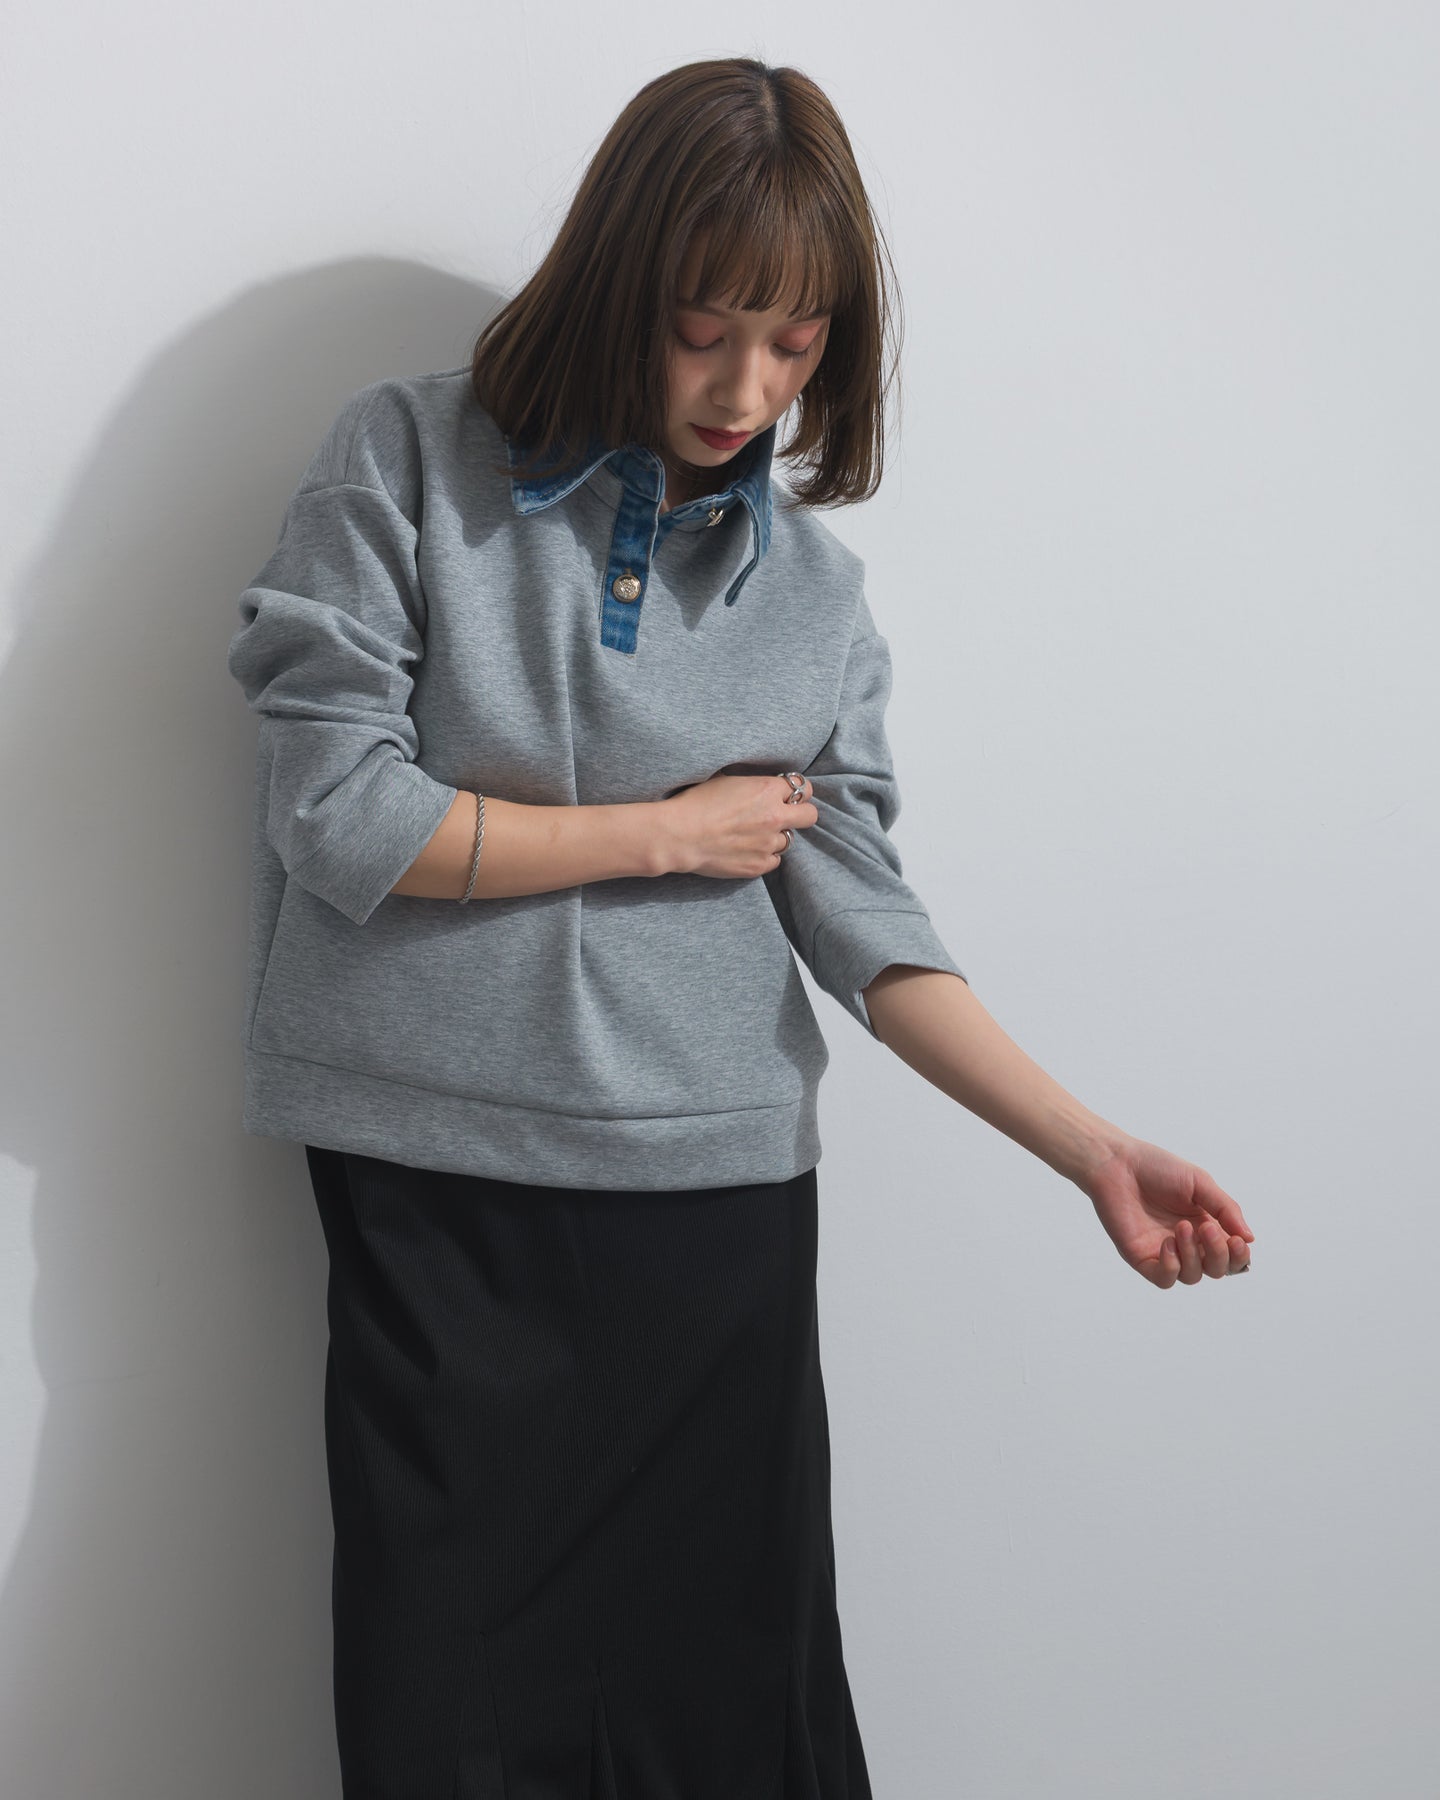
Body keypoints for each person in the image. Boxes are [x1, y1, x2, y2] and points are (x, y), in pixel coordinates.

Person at [226, 54, 1256, 1800]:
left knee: (728, 1714)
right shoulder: (399, 457)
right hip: (435, 1181)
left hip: (714, 1206)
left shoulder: (814, 593)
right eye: (704, 329)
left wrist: (1091, 1150)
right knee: (445, 1708)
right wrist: (664, 831)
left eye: (795, 343)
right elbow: (337, 818)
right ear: (616, 282)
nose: (746, 388)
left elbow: (863, 921)